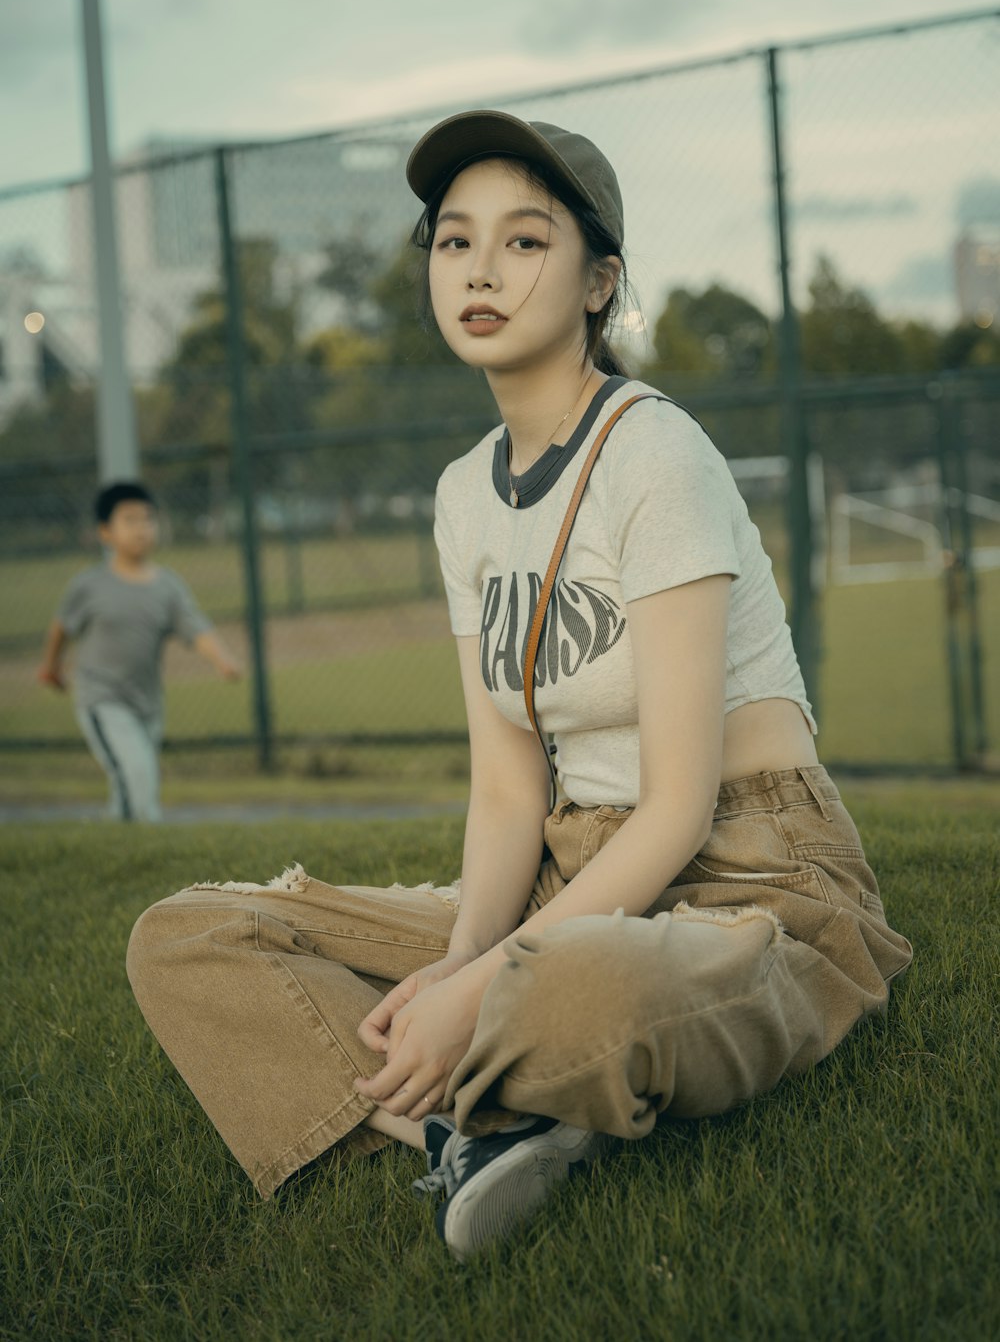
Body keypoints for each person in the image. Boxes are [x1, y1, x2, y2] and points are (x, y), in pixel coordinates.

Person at [126, 112, 912, 1260]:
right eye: (453, 243)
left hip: (746, 871)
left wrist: (491, 977)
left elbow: (681, 807)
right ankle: (474, 1124)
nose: (480, 270)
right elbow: (506, 789)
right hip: (562, 868)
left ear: (599, 281)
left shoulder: (654, 452)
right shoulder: (461, 497)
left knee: (572, 991)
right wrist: (456, 965)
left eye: (524, 242)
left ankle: (483, 1084)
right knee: (188, 936)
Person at [38, 480, 241, 822]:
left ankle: (119, 840)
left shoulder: (167, 586)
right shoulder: (90, 585)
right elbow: (61, 627)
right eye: (129, 520)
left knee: (130, 779)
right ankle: (147, 839)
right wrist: (51, 668)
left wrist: (223, 659)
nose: (142, 528)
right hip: (101, 697)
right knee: (136, 771)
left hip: (146, 702)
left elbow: (197, 629)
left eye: (148, 519)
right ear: (106, 532)